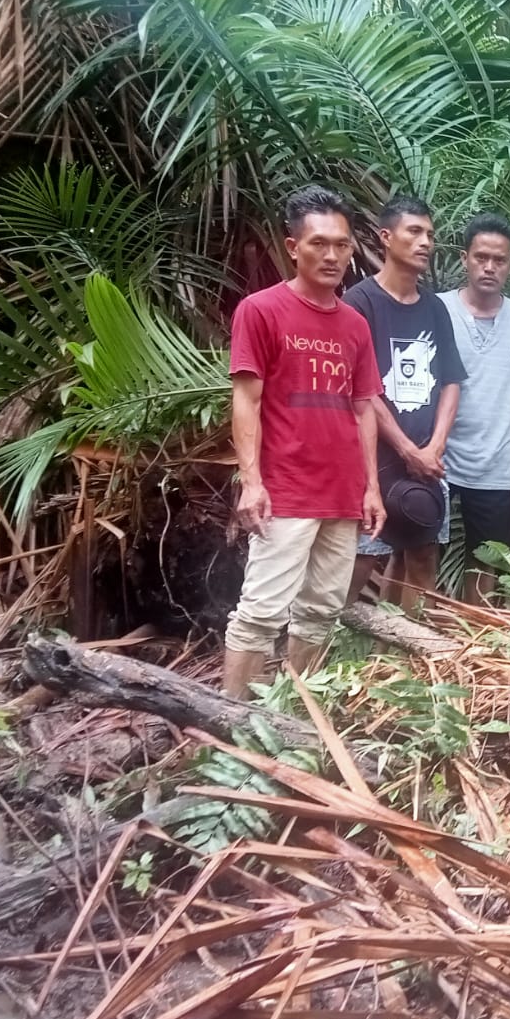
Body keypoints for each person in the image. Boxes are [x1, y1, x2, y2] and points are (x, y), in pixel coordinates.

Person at [224, 186, 385, 698]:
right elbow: (246, 400)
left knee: (319, 613)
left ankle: (295, 715)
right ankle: (232, 722)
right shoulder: (261, 310)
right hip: (286, 490)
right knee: (261, 612)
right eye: (319, 243)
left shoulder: (356, 325)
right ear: (293, 247)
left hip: (342, 494)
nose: (333, 255)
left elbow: (363, 409)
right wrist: (251, 483)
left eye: (342, 244)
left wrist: (372, 487)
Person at [343, 196, 466, 609]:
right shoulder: (359, 303)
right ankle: (326, 651)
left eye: (430, 234)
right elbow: (362, 388)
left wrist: (434, 446)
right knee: (363, 557)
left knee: (423, 553)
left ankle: (409, 650)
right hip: (373, 458)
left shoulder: (434, 308)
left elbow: (451, 380)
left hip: (427, 458)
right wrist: (406, 449)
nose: (425, 242)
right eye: (414, 231)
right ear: (386, 237)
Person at [439, 213, 510, 602]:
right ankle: (413, 632)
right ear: (464, 257)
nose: (489, 267)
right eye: (480, 257)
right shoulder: (437, 311)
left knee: (485, 558)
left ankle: (471, 636)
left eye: (499, 260)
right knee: (416, 549)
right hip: (434, 458)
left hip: (496, 462)